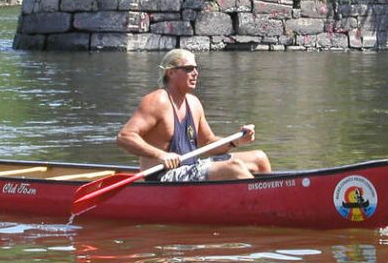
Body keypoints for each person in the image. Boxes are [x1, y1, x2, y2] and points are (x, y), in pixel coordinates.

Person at [116, 48, 271, 182]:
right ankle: (263, 206)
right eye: (189, 68)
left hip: (191, 168)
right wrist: (161, 155)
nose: (195, 73)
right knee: (233, 167)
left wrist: (236, 141)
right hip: (164, 177)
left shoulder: (194, 103)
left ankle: (265, 199)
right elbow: (125, 137)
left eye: (196, 68)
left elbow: (209, 142)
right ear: (171, 72)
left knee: (259, 158)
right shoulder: (157, 101)